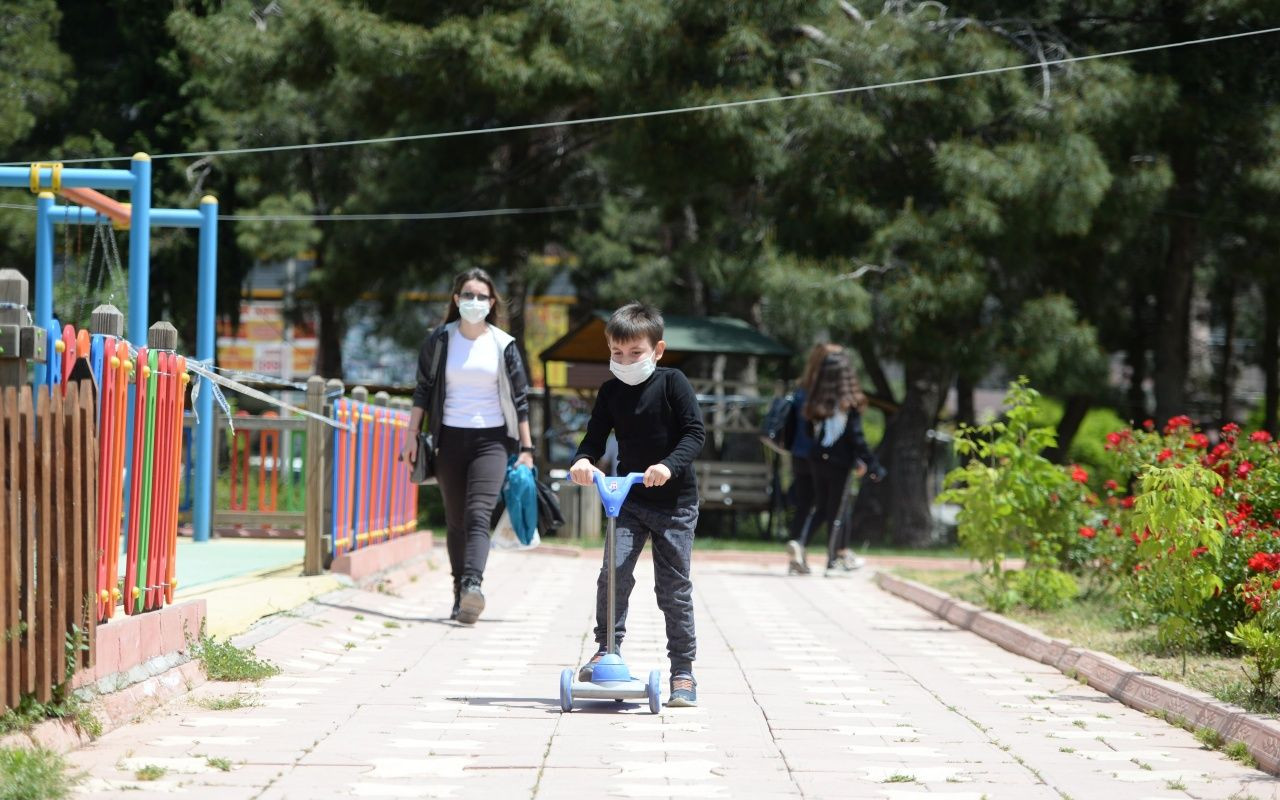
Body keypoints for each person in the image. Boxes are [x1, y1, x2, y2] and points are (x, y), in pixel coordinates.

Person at [569, 302, 706, 707]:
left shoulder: (672, 383)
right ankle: (607, 648)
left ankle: (682, 670)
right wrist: (583, 460)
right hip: (628, 500)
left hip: (675, 505)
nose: (625, 361)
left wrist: (667, 465)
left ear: (657, 350)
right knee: (613, 573)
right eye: (617, 352)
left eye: (635, 352)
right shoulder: (611, 391)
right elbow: (594, 437)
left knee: (673, 588)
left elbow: (695, 433)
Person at [402, 268, 535, 624]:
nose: (474, 301)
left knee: (478, 514)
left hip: (492, 441)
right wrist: (411, 435)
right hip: (449, 439)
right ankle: (459, 593)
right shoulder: (440, 340)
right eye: (468, 295)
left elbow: (520, 400)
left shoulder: (503, 344)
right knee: (456, 520)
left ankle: (473, 584)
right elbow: (422, 390)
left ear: (491, 303)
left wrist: (527, 450)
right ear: (456, 299)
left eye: (481, 296)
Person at [787, 350, 885, 577]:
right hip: (839, 463)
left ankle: (800, 544)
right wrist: (873, 466)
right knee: (838, 511)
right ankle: (834, 561)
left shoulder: (815, 403)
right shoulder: (848, 404)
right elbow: (856, 438)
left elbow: (811, 432)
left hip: (817, 459)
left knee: (822, 508)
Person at [785, 343, 842, 575]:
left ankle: (796, 554)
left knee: (804, 504)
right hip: (820, 455)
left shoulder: (802, 388)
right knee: (831, 505)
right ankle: (835, 554)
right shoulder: (826, 390)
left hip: (799, 454)